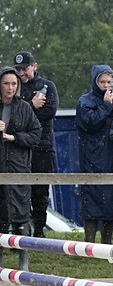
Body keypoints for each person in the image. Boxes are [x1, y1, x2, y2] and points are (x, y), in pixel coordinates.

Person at [0, 67, 42, 270]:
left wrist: (14, 137)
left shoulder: (25, 107)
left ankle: (23, 261)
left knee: (21, 215)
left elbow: (36, 135)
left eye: (14, 84)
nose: (10, 88)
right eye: (6, 83)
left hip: (18, 167)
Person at [14, 52, 58, 238]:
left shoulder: (47, 86)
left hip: (42, 146)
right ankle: (20, 232)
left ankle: (39, 231)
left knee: (40, 192)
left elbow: (48, 112)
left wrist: (24, 111)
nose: (21, 72)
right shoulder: (13, 87)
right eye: (18, 69)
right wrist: (31, 106)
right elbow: (13, 119)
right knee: (19, 192)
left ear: (35, 66)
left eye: (25, 68)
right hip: (18, 148)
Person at [76, 65, 113, 245]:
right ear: (95, 81)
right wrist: (107, 105)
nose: (106, 85)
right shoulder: (85, 101)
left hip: (111, 153)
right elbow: (90, 122)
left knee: (110, 198)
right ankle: (89, 242)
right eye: (102, 81)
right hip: (91, 154)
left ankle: (107, 243)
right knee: (91, 196)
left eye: (109, 81)